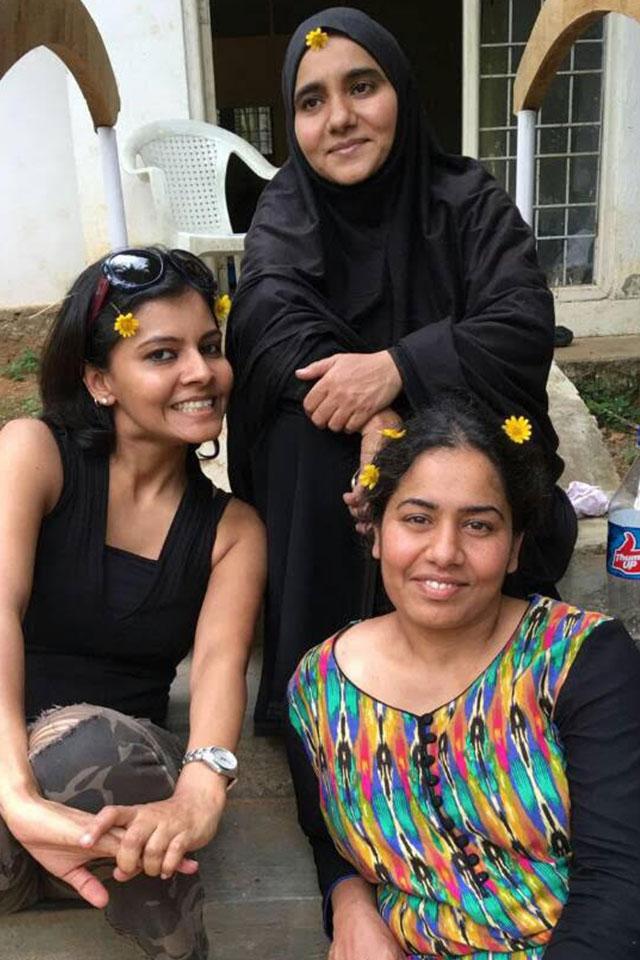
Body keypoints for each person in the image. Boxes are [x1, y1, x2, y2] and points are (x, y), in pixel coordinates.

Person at [226, 7, 577, 735]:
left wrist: (397, 372)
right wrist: (378, 415)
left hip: (466, 437)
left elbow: (520, 323)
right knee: (306, 423)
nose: (340, 118)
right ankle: (319, 699)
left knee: (449, 445)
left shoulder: (468, 200)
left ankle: (471, 674)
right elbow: (266, 321)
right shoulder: (285, 210)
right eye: (312, 100)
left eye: (363, 87)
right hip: (336, 471)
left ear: (403, 94)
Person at [287, 393, 640, 960]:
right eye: (418, 519)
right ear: (376, 532)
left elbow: (622, 880)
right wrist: (348, 899)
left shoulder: (578, 660)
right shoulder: (319, 688)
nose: (445, 551)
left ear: (515, 547)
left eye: (478, 525)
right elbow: (325, 835)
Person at [0, 248, 265, 959]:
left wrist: (204, 788)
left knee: (94, 747)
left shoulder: (231, 530)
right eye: (162, 354)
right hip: (8, 780)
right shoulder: (34, 454)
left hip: (111, 792)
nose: (200, 372)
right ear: (99, 381)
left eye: (209, 347)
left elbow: (218, 663)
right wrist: (14, 790)